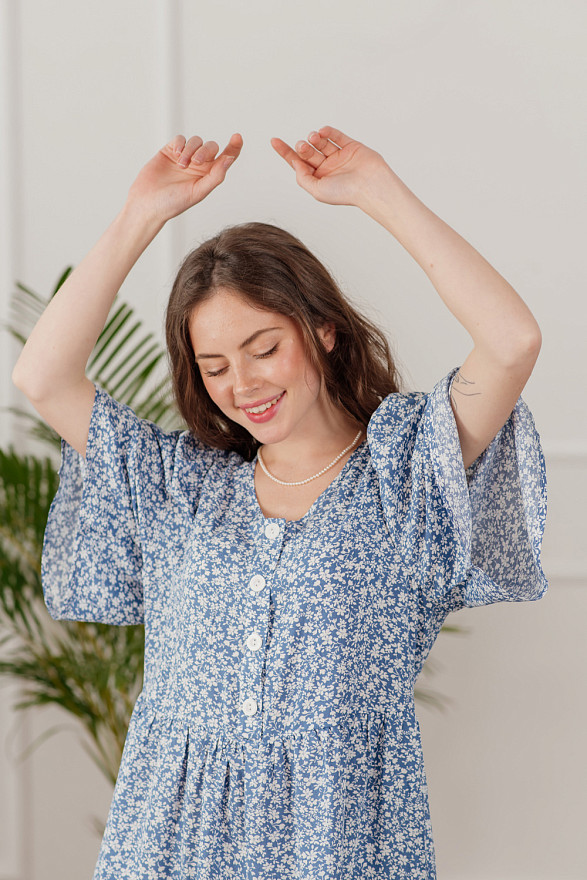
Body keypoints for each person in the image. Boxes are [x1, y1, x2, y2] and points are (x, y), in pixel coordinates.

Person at [12, 126, 547, 879]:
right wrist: (140, 214)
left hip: (340, 844)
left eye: (263, 347)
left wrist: (376, 192)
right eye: (216, 365)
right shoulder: (180, 488)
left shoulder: (404, 472)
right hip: (168, 844)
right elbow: (43, 376)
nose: (244, 385)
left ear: (323, 330)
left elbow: (511, 339)